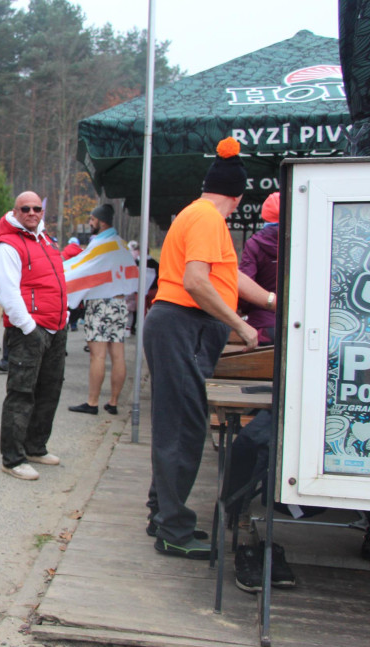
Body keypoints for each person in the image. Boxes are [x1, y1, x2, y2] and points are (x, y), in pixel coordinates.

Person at [144, 138, 277, 559]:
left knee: (178, 425)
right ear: (237, 198)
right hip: (181, 325)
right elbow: (197, 282)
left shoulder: (202, 217)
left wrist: (274, 302)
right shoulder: (205, 218)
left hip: (182, 328)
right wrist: (239, 323)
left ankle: (161, 514)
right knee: (183, 429)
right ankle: (174, 532)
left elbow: (229, 277)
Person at [0, 191, 68, 481]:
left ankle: (35, 446)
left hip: (56, 326)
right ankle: (12, 458)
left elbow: (57, 280)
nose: (32, 213)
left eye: (37, 208)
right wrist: (28, 327)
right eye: (26, 208)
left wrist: (65, 316)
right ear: (16, 210)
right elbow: (8, 292)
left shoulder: (46, 239)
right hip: (30, 330)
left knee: (50, 389)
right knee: (22, 392)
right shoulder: (8, 245)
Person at [67, 204, 135, 416]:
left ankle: (93, 402)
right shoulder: (122, 245)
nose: (89, 223)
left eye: (92, 220)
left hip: (100, 303)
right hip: (119, 303)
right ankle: (113, 402)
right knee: (118, 354)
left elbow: (80, 269)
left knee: (97, 356)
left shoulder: (101, 245)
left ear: (101, 221)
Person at [238, 192, 280, 346]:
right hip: (299, 323)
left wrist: (244, 309)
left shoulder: (254, 243)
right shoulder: (304, 240)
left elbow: (244, 286)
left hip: (262, 326)